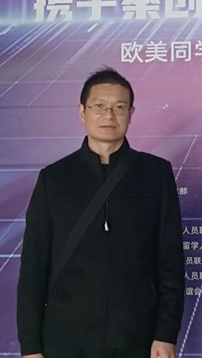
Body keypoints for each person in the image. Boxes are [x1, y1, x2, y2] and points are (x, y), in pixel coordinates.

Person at [17, 66, 185, 358]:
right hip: (65, 339)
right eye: (99, 106)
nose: (109, 115)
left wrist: (165, 334)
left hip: (138, 337)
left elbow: (170, 262)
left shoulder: (155, 173)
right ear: (82, 112)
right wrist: (30, 347)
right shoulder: (54, 178)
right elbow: (33, 267)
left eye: (119, 107)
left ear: (131, 113)